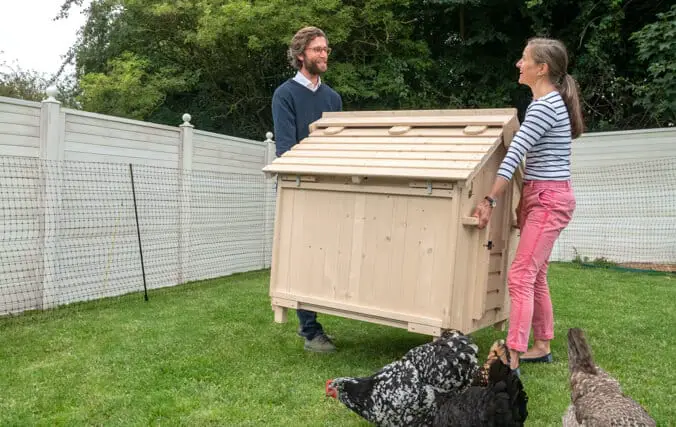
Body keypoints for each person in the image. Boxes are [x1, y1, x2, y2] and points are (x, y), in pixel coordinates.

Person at [472, 37, 584, 375]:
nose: (518, 64)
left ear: (542, 68)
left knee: (521, 275)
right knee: (535, 276)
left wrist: (489, 199)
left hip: (548, 199)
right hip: (545, 196)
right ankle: (542, 345)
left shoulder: (545, 106)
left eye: (524, 59)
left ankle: (513, 355)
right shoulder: (548, 103)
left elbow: (513, 156)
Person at [271, 26, 342, 352]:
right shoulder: (285, 95)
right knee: (302, 260)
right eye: (317, 50)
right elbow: (286, 149)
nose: (324, 54)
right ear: (301, 55)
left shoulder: (333, 99)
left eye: (326, 49)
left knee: (326, 259)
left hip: (330, 190)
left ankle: (315, 323)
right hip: (298, 190)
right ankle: (309, 330)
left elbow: (339, 145)